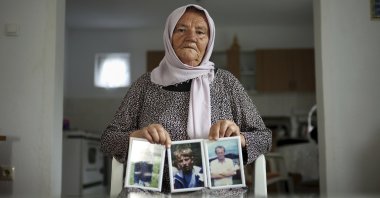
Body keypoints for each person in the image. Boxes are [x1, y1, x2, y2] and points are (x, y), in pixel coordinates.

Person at [100, 4, 272, 194]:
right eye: (181, 29)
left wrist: (239, 139)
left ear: (209, 41)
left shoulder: (226, 83)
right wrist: (136, 137)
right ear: (169, 37)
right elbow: (108, 140)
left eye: (200, 32)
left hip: (218, 190)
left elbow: (265, 138)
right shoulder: (146, 84)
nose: (191, 37)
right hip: (155, 191)